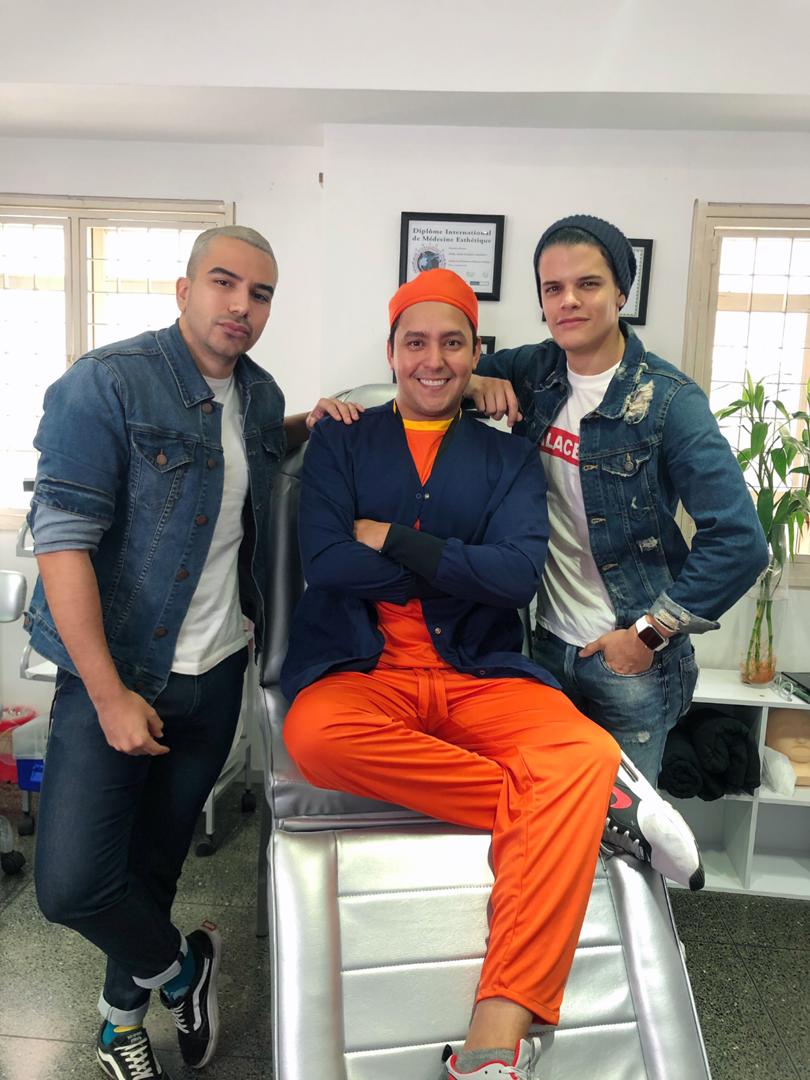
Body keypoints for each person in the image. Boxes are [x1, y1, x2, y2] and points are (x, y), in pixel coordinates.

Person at [280, 268, 703, 1080]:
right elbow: (327, 563)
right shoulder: (341, 438)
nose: (432, 360)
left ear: (476, 354)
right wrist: (457, 564)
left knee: (581, 751)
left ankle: (493, 1040)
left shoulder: (508, 456)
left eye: (453, 343)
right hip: (364, 669)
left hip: (477, 670)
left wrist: (393, 540)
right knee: (314, 736)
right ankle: (584, 810)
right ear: (392, 350)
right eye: (415, 342)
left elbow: (514, 579)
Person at [25, 225, 361, 1080]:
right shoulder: (108, 384)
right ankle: (184, 969)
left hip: (214, 677)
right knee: (73, 885)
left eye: (260, 293)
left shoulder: (257, 394)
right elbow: (61, 546)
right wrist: (107, 695)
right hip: (117, 679)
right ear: (184, 289)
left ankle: (118, 1026)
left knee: (154, 867)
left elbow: (244, 462)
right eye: (224, 283)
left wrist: (310, 421)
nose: (241, 305)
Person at [468, 214, 769, 785]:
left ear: (621, 293)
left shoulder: (669, 401)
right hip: (544, 646)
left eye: (588, 284)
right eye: (552, 288)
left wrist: (648, 635)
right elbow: (435, 369)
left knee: (625, 823)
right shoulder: (535, 371)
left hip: (629, 662)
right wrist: (473, 380)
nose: (568, 301)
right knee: (550, 808)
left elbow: (740, 541)